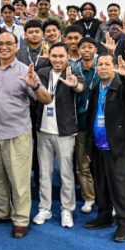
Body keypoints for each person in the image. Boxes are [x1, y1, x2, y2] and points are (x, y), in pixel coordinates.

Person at [0, 31, 52, 239]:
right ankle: (2, 211)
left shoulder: (26, 71)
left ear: (16, 46)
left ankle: (20, 220)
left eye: (8, 43)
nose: (3, 47)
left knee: (19, 181)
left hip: (17, 134)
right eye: (0, 43)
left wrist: (34, 84)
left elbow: (46, 99)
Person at [83, 53, 125, 243]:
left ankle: (123, 223)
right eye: (100, 64)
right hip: (98, 146)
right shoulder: (96, 88)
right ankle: (105, 216)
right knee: (101, 185)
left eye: (107, 64)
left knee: (119, 188)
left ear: (114, 67)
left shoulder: (121, 86)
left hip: (117, 146)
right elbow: (90, 118)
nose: (103, 67)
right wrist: (88, 148)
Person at [33, 43, 85, 228]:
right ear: (49, 57)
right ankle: (44, 208)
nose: (57, 60)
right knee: (44, 173)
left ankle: (67, 209)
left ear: (67, 57)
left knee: (66, 173)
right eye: (54, 56)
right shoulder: (42, 72)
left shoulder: (73, 72)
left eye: (61, 56)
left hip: (65, 131)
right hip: (43, 130)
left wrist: (75, 84)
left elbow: (80, 87)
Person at [72, 37, 99, 214]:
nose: (87, 50)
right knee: (82, 165)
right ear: (79, 49)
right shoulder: (73, 70)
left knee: (102, 164)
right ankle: (89, 197)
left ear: (95, 50)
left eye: (90, 47)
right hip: (80, 123)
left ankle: (105, 197)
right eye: (83, 47)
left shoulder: (102, 68)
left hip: (101, 124)